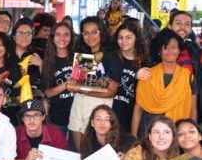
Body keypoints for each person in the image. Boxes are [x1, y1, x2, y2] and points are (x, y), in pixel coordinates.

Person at [67, 16, 121, 151]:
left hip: (99, 109)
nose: (90, 36)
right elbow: (75, 85)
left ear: (101, 32)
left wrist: (80, 88)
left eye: (94, 32)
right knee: (80, 154)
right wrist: (74, 86)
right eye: (86, 33)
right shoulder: (83, 55)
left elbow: (111, 91)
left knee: (95, 154)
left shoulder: (111, 56)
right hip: (78, 105)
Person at [132, 30, 196, 137]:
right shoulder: (147, 74)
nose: (170, 51)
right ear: (159, 51)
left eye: (174, 47)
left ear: (179, 50)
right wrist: (133, 138)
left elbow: (192, 111)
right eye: (165, 48)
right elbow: (138, 109)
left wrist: (190, 136)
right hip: (148, 133)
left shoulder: (188, 77)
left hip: (175, 133)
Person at [111, 21, 150, 133]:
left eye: (128, 37)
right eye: (120, 37)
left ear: (136, 38)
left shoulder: (144, 62)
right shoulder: (111, 57)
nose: (123, 41)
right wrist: (135, 75)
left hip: (131, 114)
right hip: (110, 113)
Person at [41, 22, 75, 132]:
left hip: (78, 114)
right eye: (58, 34)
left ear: (71, 37)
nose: (62, 38)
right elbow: (47, 93)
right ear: (53, 37)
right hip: (58, 117)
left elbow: (87, 84)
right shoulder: (48, 61)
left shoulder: (78, 57)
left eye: (66, 34)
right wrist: (66, 85)